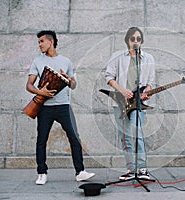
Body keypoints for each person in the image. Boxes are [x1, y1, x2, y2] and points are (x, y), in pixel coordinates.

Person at [26, 30, 95, 185]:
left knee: (74, 138)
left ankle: (80, 172)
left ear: (51, 42)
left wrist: (70, 80)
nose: (39, 45)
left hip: (64, 106)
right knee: (41, 140)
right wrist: (40, 91)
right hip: (45, 108)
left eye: (41, 41)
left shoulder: (66, 61)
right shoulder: (37, 61)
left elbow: (74, 85)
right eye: (38, 42)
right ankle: (42, 173)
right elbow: (29, 85)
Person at [105, 27, 155, 180]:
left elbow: (151, 82)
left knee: (137, 134)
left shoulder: (148, 58)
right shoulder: (117, 56)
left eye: (138, 39)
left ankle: (142, 169)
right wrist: (122, 90)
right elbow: (109, 77)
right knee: (125, 137)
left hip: (138, 104)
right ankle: (130, 170)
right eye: (132, 38)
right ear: (127, 40)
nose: (135, 41)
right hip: (120, 103)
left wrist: (146, 92)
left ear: (141, 41)